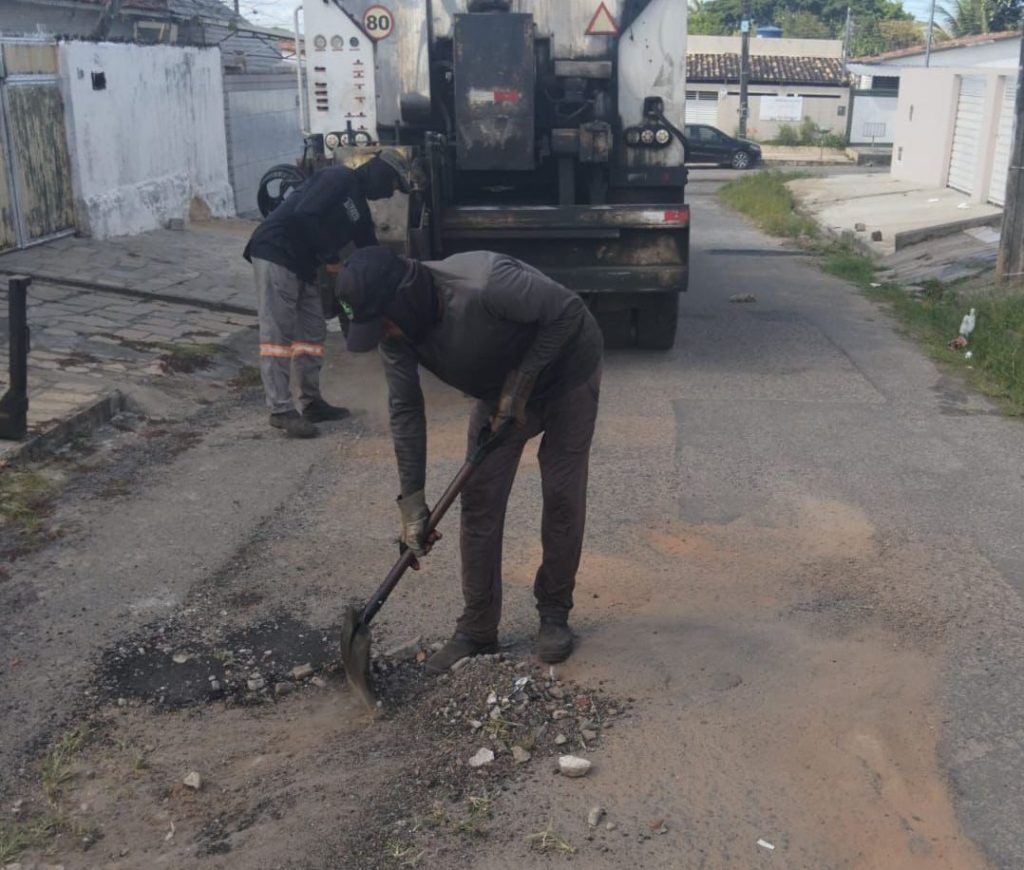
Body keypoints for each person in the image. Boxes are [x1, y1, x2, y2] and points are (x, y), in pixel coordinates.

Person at [338, 246, 603, 671]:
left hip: (568, 372)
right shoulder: (396, 334)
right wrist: (412, 504)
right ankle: (478, 629)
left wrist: (522, 381)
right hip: (497, 393)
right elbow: (406, 410)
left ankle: (554, 613)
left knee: (562, 496)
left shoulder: (486, 282)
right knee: (479, 501)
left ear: (405, 298)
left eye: (381, 323)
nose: (382, 334)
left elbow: (569, 312)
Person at [243, 152, 410, 437]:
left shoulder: (359, 208)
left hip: (304, 264)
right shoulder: (338, 178)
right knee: (278, 335)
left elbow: (369, 248)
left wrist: (394, 275)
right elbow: (304, 213)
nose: (390, 191)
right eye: (392, 183)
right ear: (378, 171)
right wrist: (332, 257)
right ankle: (281, 409)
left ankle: (311, 402)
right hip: (276, 252)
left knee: (312, 331)